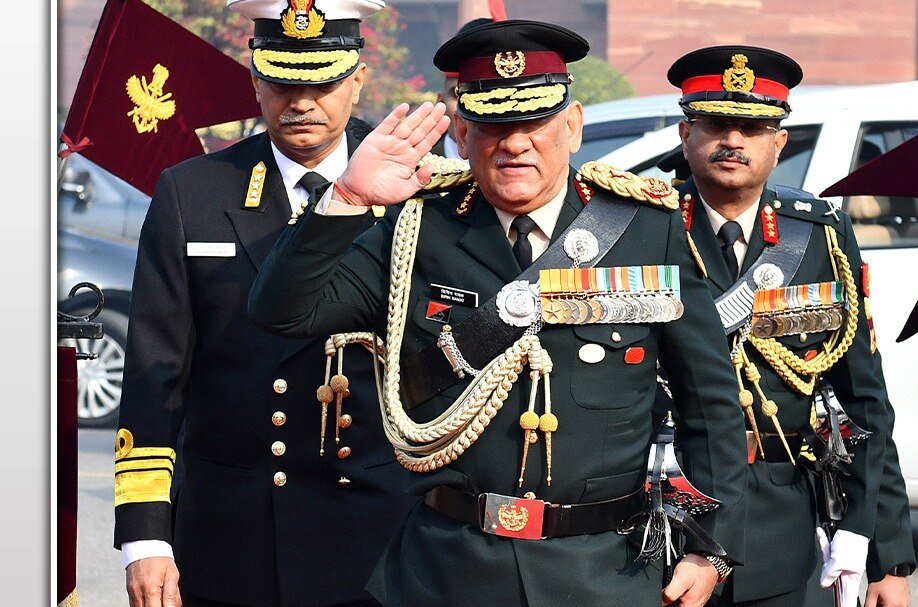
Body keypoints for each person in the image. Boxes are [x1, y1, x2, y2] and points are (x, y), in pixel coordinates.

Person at [249, 18, 750, 607]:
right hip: (447, 571)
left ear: (573, 126)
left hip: (602, 573)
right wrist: (348, 200)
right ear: (460, 132)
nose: (515, 143)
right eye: (492, 124)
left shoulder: (648, 229)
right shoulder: (417, 228)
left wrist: (709, 546)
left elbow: (710, 402)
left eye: (535, 122)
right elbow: (284, 312)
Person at [112, 1, 416, 605]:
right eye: (281, 82)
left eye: (322, 82)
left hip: (377, 534)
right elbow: (155, 372)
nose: (300, 102)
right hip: (233, 534)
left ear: (358, 77)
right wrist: (146, 539)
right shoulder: (192, 192)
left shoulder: (418, 186)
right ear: (254, 79)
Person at [663, 45, 916, 607]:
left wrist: (884, 556)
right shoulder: (643, 228)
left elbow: (865, 402)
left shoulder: (820, 235)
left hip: (782, 518)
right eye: (716, 124)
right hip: (664, 514)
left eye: (752, 128)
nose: (733, 141)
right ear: (686, 134)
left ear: (779, 143)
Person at [431, 17, 494, 161]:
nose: (470, 106)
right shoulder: (415, 171)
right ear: (440, 104)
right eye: (458, 94)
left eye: (484, 95)